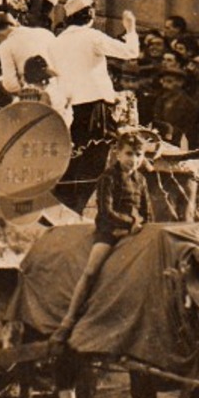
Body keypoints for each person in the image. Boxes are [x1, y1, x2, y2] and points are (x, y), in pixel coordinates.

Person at [51, 130, 154, 345]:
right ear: (117, 153)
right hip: (110, 230)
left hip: (135, 231)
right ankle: (68, 320)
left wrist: (146, 226)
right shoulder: (108, 177)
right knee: (91, 270)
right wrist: (130, 223)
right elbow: (106, 211)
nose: (133, 160)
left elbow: (147, 210)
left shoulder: (141, 180)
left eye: (138, 155)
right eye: (128, 154)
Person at [47, 0, 139, 213]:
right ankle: (76, 209)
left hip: (70, 108)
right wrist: (131, 29)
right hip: (96, 107)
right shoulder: (91, 37)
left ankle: (63, 207)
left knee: (73, 160)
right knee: (93, 162)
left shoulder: (56, 42)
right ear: (89, 15)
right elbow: (130, 52)